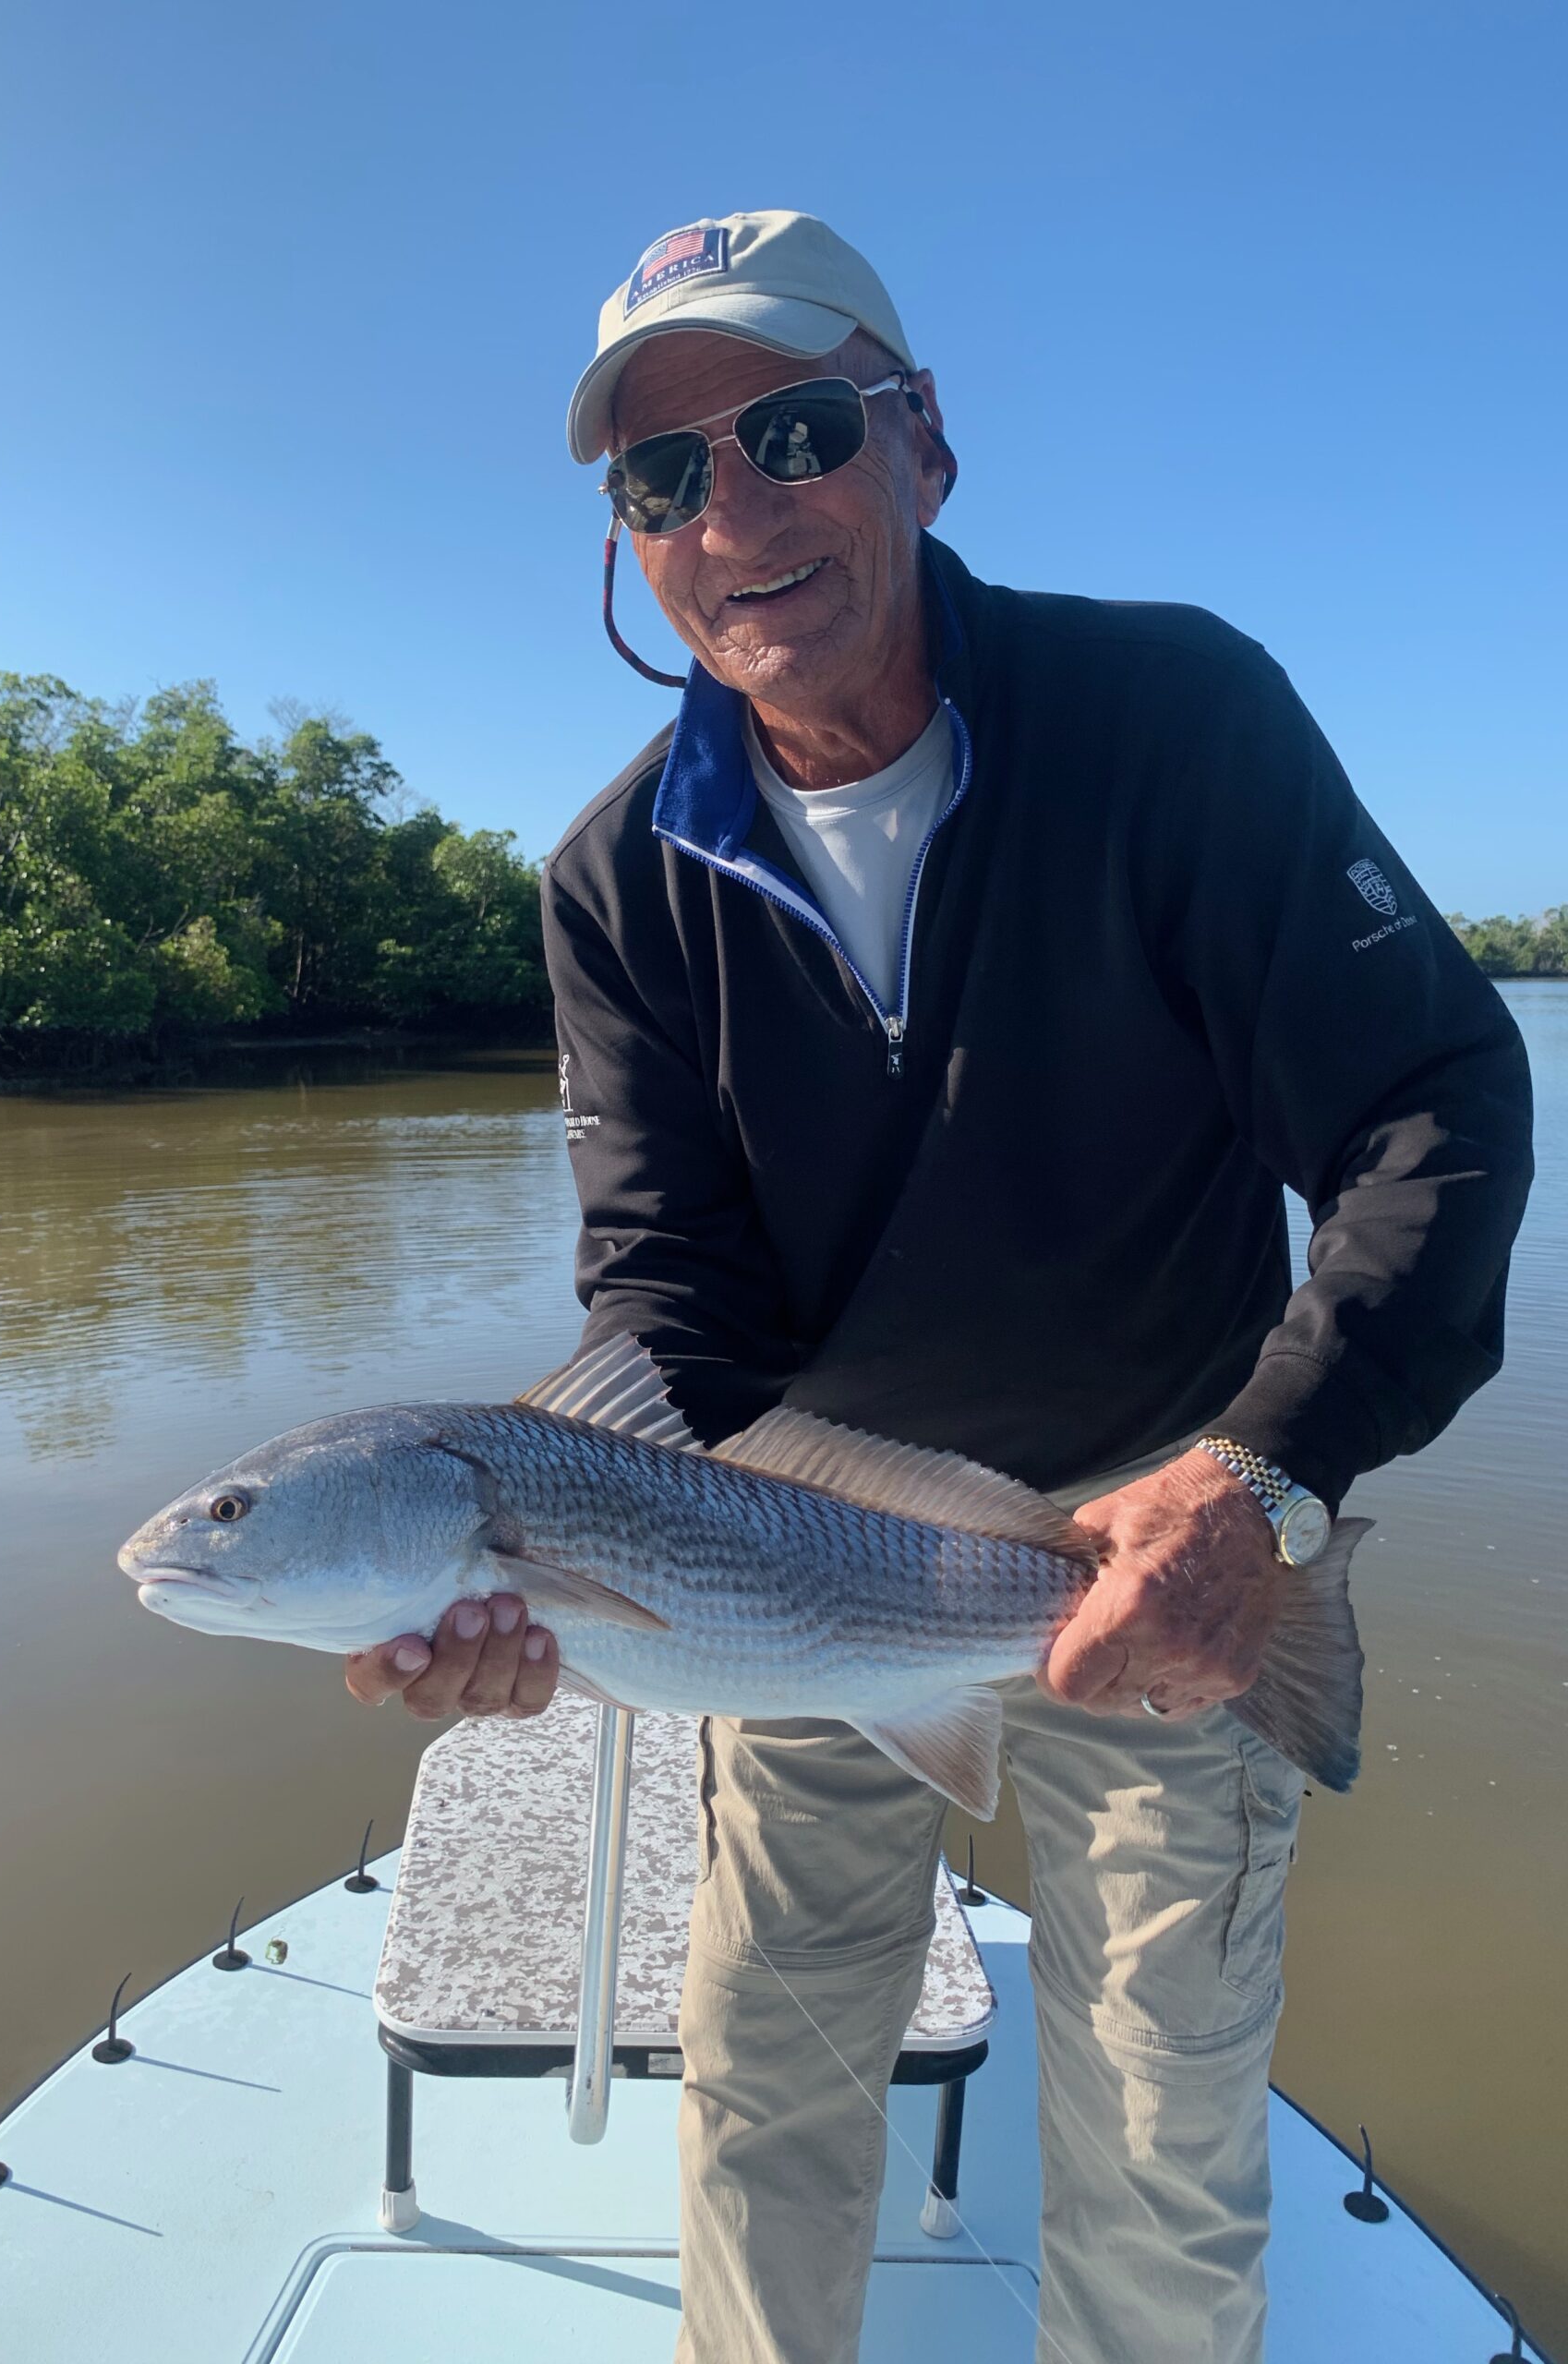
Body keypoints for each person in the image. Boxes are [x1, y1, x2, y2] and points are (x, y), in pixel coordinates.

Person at [344, 211, 1535, 2364]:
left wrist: (1260, 1484)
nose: (735, 512)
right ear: (629, 542)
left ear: (923, 449)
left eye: (793, 429)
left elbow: (1435, 1108)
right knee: (765, 2086)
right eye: (661, 476)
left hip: (1183, 1555)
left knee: (1165, 2136)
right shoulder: (615, 885)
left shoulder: (1171, 718)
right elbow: (670, 1306)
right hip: (792, 1576)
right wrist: (566, 1570)